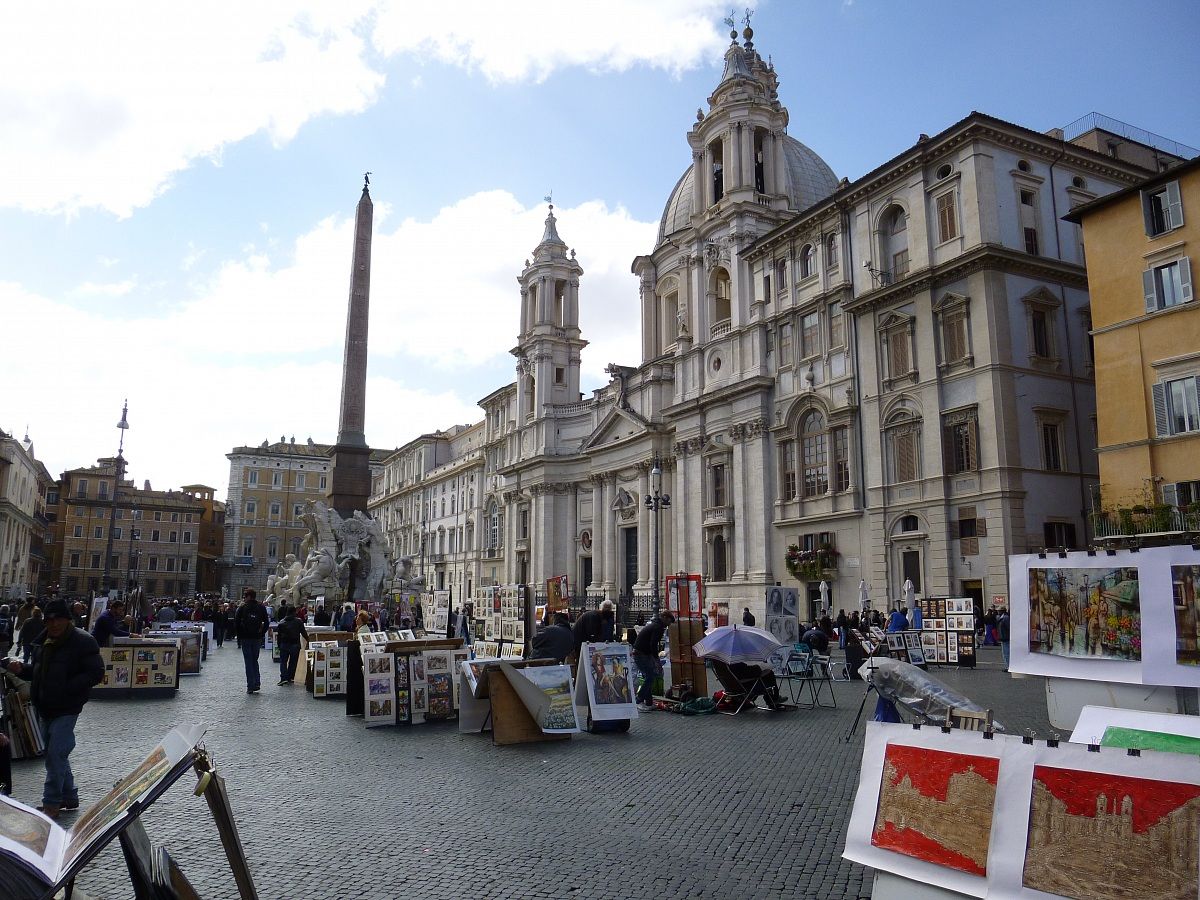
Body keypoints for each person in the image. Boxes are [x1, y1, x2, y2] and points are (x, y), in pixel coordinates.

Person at [1, 599, 103, 819]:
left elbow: (95, 673)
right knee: (54, 753)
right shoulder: (44, 641)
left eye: (58, 619)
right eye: (50, 620)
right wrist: (21, 669)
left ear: (68, 620)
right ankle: (69, 796)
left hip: (67, 706)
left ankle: (52, 803)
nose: (54, 624)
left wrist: (68, 688)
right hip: (45, 705)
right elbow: (38, 672)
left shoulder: (83, 641)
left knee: (55, 754)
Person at [632, 611, 675, 711]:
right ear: (664, 617)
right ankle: (639, 700)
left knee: (649, 676)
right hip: (641, 654)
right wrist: (656, 659)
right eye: (669, 621)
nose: (669, 624)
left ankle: (648, 702)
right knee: (650, 677)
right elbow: (653, 644)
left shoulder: (656, 625)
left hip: (642, 653)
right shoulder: (658, 627)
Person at [234, 589, 269, 694]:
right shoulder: (261, 607)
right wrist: (262, 634)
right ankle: (257, 682)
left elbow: (236, 623)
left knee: (248, 661)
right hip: (257, 638)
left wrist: (240, 636)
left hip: (246, 638)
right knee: (255, 660)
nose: (244, 598)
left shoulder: (242, 608)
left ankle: (250, 685)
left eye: (245, 596)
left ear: (249, 596)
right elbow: (266, 622)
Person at [274, 605, 309, 685]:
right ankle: (290, 677)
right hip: (295, 644)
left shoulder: (281, 622)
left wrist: (279, 645)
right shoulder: (298, 621)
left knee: (283, 662)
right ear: (294, 612)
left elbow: (279, 636)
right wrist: (308, 640)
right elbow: (303, 632)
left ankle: (283, 678)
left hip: (284, 644)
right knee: (293, 662)